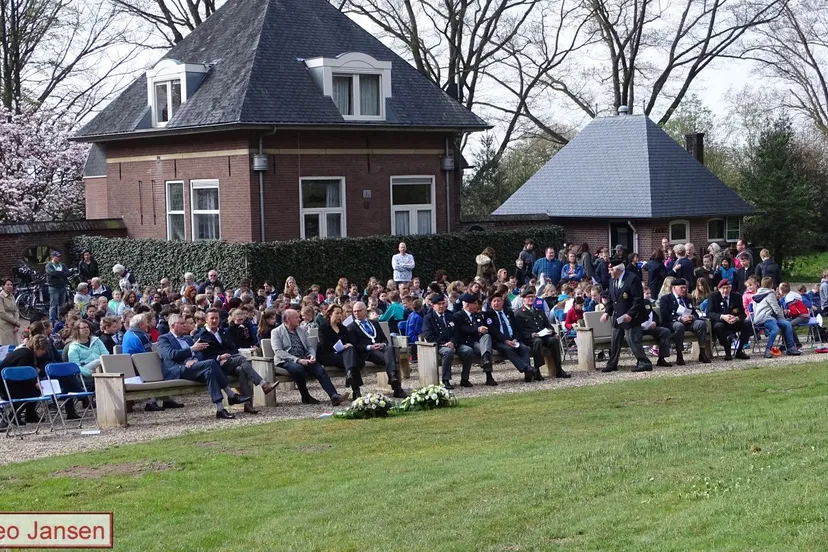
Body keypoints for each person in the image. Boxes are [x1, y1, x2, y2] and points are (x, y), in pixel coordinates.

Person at [158, 314, 249, 419]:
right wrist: (191, 350)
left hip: (193, 368)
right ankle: (230, 394)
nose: (185, 325)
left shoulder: (187, 339)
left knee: (209, 373)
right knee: (210, 363)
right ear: (173, 325)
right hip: (176, 369)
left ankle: (220, 409)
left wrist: (194, 360)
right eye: (182, 323)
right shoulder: (164, 339)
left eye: (185, 323)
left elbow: (200, 354)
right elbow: (171, 354)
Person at [196, 309, 276, 414]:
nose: (215, 320)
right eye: (212, 318)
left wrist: (229, 356)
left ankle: (248, 404)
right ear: (206, 319)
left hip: (229, 361)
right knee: (241, 359)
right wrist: (219, 358)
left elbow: (233, 347)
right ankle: (263, 384)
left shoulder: (223, 332)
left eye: (216, 318)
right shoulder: (201, 335)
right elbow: (201, 357)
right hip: (214, 366)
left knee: (241, 370)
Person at [272, 309, 347, 405]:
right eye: (296, 317)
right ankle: (306, 396)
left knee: (320, 370)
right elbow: (278, 351)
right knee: (299, 369)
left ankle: (334, 396)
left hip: (305, 358)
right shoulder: (276, 332)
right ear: (288, 319)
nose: (299, 319)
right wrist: (298, 360)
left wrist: (312, 355)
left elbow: (309, 346)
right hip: (286, 360)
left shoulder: (301, 330)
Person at [601, 260, 652, 372]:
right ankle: (612, 363)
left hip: (631, 316)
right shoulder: (612, 280)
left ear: (617, 270)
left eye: (611, 270)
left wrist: (630, 314)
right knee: (615, 340)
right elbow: (611, 299)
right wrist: (606, 312)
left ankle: (644, 362)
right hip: (618, 316)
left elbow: (638, 300)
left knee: (632, 339)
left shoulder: (632, 279)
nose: (609, 272)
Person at [348, 302, 408, 397]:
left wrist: (382, 344)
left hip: (381, 349)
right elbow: (354, 345)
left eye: (359, 311)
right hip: (367, 352)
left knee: (389, 348)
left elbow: (384, 339)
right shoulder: (351, 327)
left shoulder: (374, 323)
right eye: (354, 311)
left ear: (365, 311)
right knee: (390, 358)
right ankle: (396, 386)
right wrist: (370, 347)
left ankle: (393, 377)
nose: (356, 313)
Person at [514, 287, 567, 378]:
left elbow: (547, 325)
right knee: (537, 341)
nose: (530, 299)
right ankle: (537, 370)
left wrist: (551, 331)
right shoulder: (519, 313)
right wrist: (530, 335)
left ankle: (558, 368)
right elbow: (519, 331)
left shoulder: (539, 312)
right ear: (523, 299)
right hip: (530, 338)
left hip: (543, 335)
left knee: (553, 340)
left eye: (532, 297)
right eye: (528, 297)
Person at [0, 334, 50, 425]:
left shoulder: (27, 353)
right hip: (5, 384)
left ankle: (27, 414)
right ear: (36, 347)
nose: (44, 352)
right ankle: (17, 414)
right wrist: (35, 383)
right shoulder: (26, 354)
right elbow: (22, 374)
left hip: (10, 382)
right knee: (32, 390)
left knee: (33, 389)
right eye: (42, 349)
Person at [659, 278, 710, 365]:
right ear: (674, 288)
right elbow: (665, 314)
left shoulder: (687, 299)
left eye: (685, 288)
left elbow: (695, 313)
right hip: (672, 322)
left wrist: (692, 317)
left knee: (701, 323)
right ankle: (679, 354)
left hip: (688, 322)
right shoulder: (666, 299)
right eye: (681, 288)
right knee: (679, 326)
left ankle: (702, 352)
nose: (684, 290)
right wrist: (679, 318)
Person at [486, 292, 534, 380]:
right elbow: (493, 331)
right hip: (499, 341)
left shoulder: (509, 312)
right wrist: (505, 341)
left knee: (524, 348)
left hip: (513, 339)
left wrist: (516, 338)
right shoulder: (488, 314)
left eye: (498, 301)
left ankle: (528, 374)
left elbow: (517, 327)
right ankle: (526, 368)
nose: (496, 303)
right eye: (494, 301)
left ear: (502, 302)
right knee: (507, 349)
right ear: (491, 303)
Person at [452, 293, 498, 387]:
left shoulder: (477, 315)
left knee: (487, 338)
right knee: (480, 351)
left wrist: (484, 329)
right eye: (475, 303)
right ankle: (468, 378)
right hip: (464, 342)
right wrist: (477, 329)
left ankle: (486, 364)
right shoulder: (458, 316)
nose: (477, 305)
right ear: (468, 305)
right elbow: (461, 330)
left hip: (477, 342)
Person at [317, 304, 361, 397]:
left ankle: (350, 374)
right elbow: (324, 345)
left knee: (350, 350)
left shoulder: (343, 328)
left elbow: (351, 341)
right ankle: (356, 391)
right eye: (336, 313)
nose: (339, 315)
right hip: (328, 355)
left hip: (343, 355)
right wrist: (340, 347)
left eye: (341, 313)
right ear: (330, 314)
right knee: (352, 362)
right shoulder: (323, 328)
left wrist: (348, 344)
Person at [751, 277, 801, 358]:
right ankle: (768, 349)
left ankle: (790, 347)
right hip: (766, 318)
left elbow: (754, 308)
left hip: (761, 318)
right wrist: (782, 318)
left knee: (787, 324)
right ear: (771, 285)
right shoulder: (769, 294)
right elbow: (776, 309)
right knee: (776, 329)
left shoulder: (756, 294)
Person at [706, 280, 752, 361]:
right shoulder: (713, 296)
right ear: (719, 289)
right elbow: (709, 313)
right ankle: (727, 351)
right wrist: (722, 316)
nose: (725, 290)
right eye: (723, 288)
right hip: (721, 321)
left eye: (727, 288)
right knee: (718, 326)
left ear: (730, 288)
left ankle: (739, 350)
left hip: (734, 321)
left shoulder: (737, 296)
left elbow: (742, 314)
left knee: (747, 323)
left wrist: (737, 318)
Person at [422, 293, 460, 389]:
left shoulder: (450, 316)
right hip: (437, 346)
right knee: (448, 352)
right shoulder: (428, 318)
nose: (442, 306)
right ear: (433, 305)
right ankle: (446, 379)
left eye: (443, 303)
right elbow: (428, 336)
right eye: (439, 304)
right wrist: (444, 344)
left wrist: (452, 342)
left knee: (468, 351)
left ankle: (465, 379)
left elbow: (457, 332)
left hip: (453, 343)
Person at [45, 251, 69, 323]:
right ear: (53, 257)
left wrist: (59, 274)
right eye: (57, 257)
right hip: (54, 287)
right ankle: (52, 321)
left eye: (59, 257)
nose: (59, 258)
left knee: (62, 305)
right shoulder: (49, 265)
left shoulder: (63, 265)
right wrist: (62, 273)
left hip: (62, 287)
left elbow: (68, 273)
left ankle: (61, 319)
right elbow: (52, 273)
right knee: (53, 305)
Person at [0, 278, 20, 346]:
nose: (10, 286)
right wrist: (15, 322)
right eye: (7, 284)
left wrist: (16, 323)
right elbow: (2, 313)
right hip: (4, 325)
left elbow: (16, 311)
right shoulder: (1, 297)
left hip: (13, 325)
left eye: (11, 285)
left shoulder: (12, 296)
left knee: (14, 346)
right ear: (3, 286)